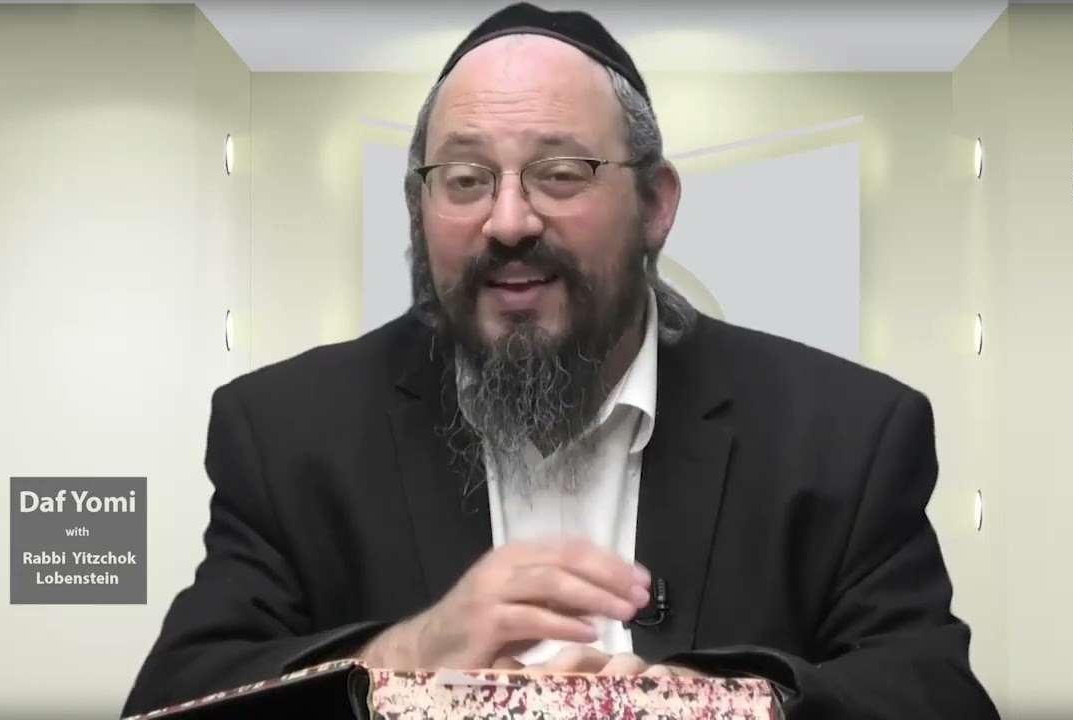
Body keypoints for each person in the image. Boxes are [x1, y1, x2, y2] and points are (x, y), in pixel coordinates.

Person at [122, 3, 1000, 719]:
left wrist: (724, 709)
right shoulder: (287, 432)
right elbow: (173, 698)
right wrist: (398, 659)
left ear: (655, 204)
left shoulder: (846, 434)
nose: (508, 221)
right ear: (420, 209)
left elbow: (935, 696)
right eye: (466, 180)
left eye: (561, 173)